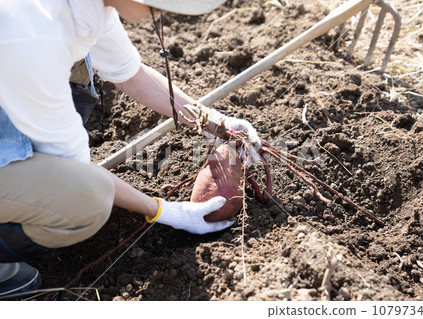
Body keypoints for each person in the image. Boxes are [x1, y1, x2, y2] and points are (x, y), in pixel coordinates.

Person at [0, 0, 261, 297]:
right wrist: (162, 210)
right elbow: (79, 169)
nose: (166, 9)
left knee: (79, 73)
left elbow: (131, 74)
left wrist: (215, 121)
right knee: (88, 199)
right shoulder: (35, 36)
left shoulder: (87, 8)